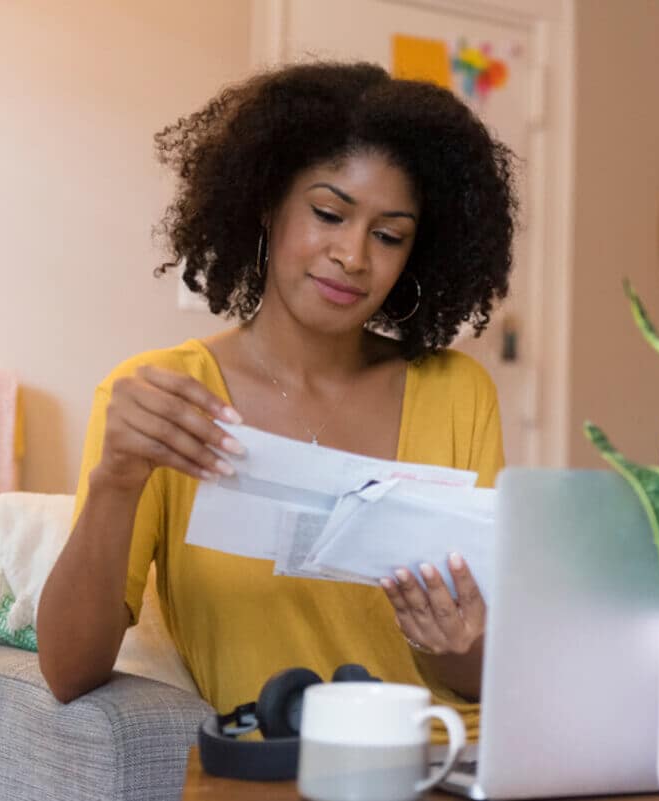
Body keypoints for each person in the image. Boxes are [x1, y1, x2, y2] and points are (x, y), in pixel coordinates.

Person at [36, 61, 517, 741]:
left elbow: (477, 674)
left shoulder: (457, 392)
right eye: (328, 213)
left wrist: (457, 638)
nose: (353, 255)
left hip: (444, 769)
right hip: (270, 777)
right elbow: (67, 671)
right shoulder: (166, 397)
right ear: (267, 204)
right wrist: (116, 480)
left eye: (389, 235)